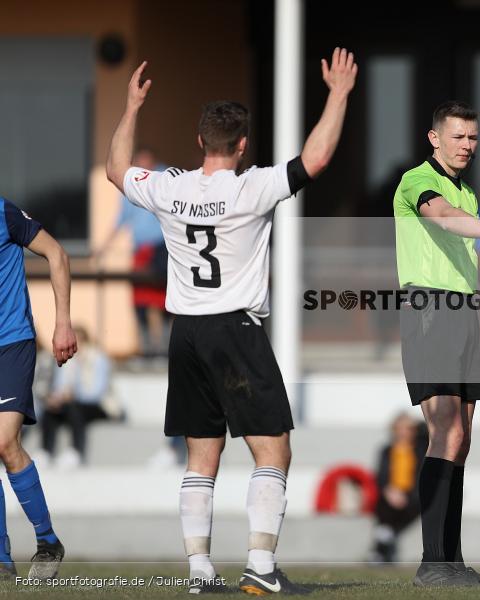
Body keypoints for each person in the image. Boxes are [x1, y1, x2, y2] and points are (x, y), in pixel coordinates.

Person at [106, 48, 357, 595]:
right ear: (242, 146)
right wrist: (337, 95)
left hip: (187, 333)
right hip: (234, 330)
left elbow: (116, 171)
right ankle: (261, 568)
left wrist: (131, 106)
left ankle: (199, 571)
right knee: (274, 449)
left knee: (202, 456)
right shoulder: (251, 186)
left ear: (200, 142)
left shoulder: (171, 186)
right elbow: (313, 160)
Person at [393, 100, 480, 586]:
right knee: (444, 430)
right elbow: (440, 216)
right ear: (435, 138)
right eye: (459, 136)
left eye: (473, 138)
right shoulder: (417, 180)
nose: (467, 145)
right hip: (428, 311)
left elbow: (468, 279)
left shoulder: (468, 193)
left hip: (461, 317)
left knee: (461, 440)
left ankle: (451, 561)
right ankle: (431, 562)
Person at [0, 196, 77, 579]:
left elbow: (58, 254)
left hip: (12, 342)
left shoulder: (5, 212)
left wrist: (63, 322)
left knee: (3, 442)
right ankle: (2, 560)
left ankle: (47, 541)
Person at [95, 147, 169, 357]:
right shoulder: (132, 184)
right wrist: (104, 247)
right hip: (140, 251)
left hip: (163, 249)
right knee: (140, 302)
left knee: (164, 300)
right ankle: (147, 350)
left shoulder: (165, 178)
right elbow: (121, 219)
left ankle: (163, 349)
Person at [39, 326, 114, 467]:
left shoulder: (98, 359)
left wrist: (74, 395)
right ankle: (46, 452)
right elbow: (59, 385)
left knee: (75, 408)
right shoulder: (67, 361)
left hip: (100, 406)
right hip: (72, 403)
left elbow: (98, 392)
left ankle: (76, 451)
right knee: (50, 411)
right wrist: (56, 398)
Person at [369, 414, 428, 564]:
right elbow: (381, 477)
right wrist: (390, 491)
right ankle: (384, 545)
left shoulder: (420, 450)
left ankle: (381, 548)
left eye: (408, 429)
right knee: (384, 505)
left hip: (412, 495)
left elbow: (421, 476)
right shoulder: (387, 450)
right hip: (391, 494)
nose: (404, 432)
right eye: (400, 428)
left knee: (407, 507)